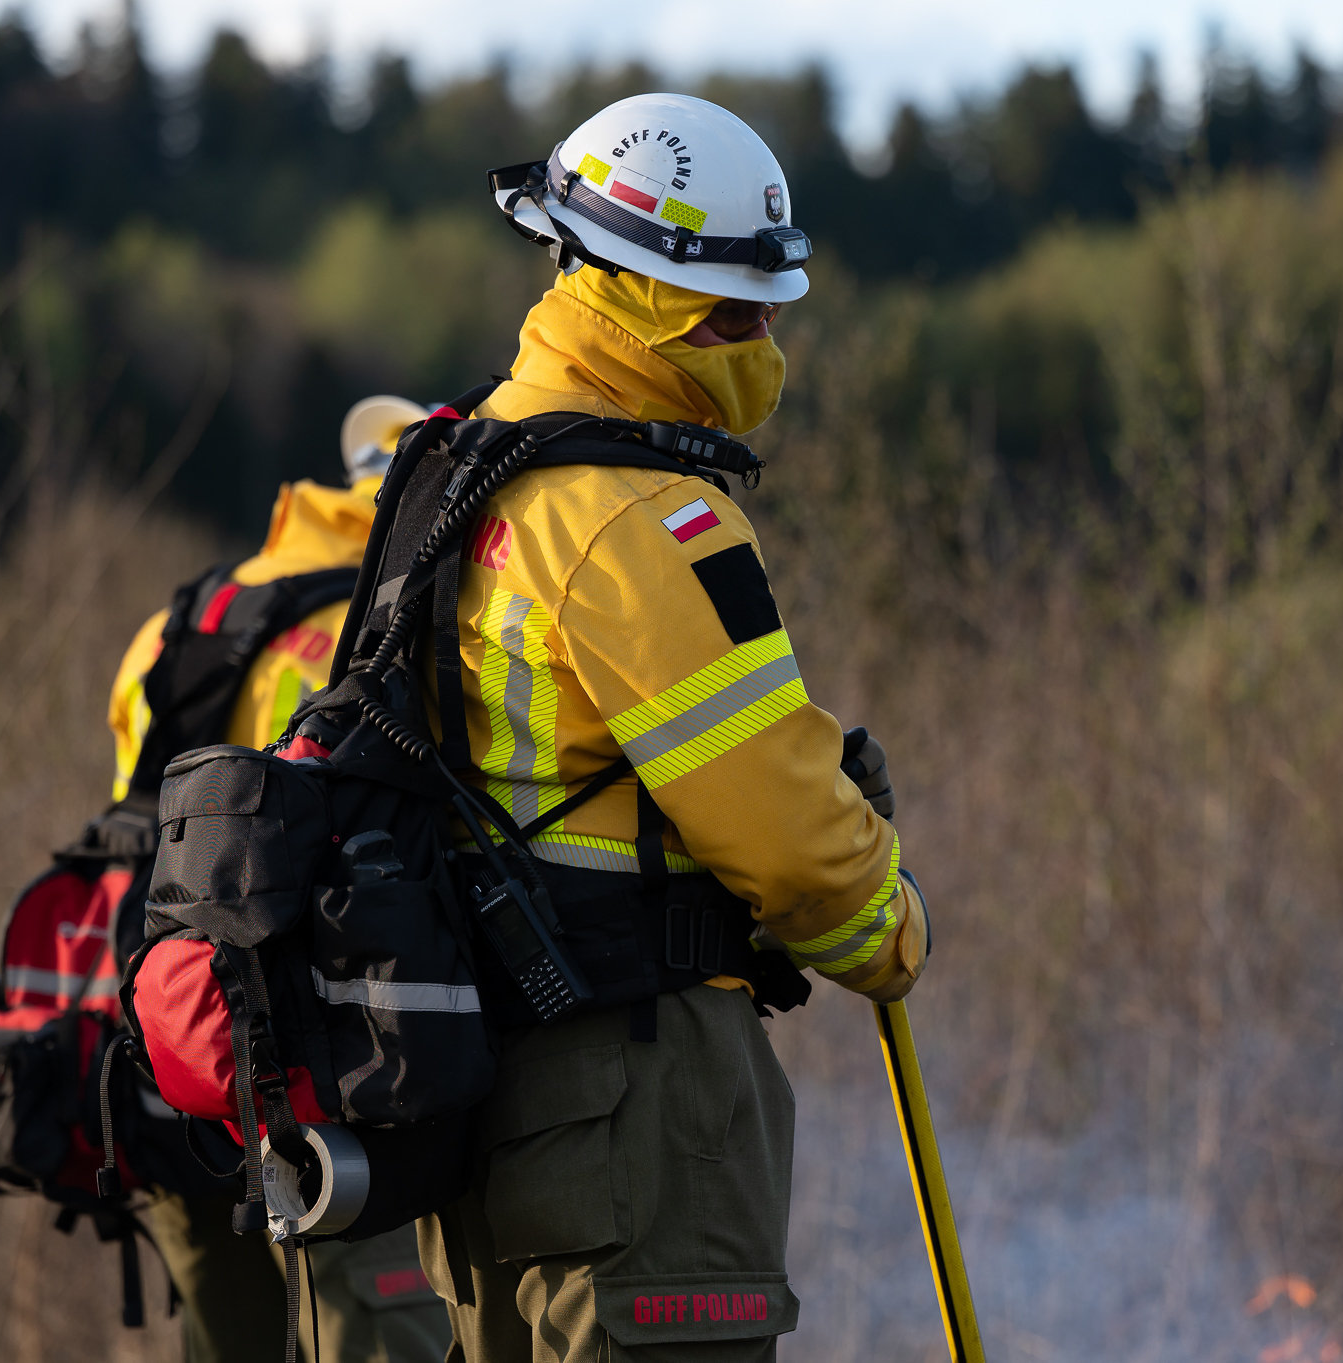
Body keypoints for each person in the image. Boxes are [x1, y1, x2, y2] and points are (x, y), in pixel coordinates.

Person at [415, 92, 927, 1361]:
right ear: (635, 295)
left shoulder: (459, 470)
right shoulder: (634, 518)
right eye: (730, 313)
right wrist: (889, 923)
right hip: (635, 1099)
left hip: (485, 1098)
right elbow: (787, 836)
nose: (760, 339)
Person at [108, 399, 456, 1363]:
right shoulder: (376, 622)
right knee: (367, 1327)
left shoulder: (175, 624)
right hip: (307, 1061)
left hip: (169, 1039)